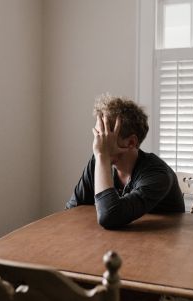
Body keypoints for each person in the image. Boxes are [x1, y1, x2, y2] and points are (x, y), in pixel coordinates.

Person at [66, 94, 185, 229]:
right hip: (117, 240)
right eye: (98, 135)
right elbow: (72, 210)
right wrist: (101, 158)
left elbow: (110, 217)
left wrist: (102, 156)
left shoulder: (158, 174)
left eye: (105, 135)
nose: (98, 143)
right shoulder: (99, 161)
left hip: (162, 243)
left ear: (131, 142)